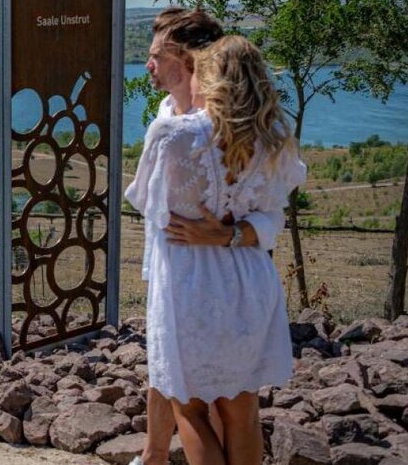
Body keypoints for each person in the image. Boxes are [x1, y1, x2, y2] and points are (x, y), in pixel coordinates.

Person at [126, 35, 306, 465]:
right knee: (242, 411)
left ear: (208, 79)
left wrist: (206, 231)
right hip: (248, 281)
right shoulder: (274, 138)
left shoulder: (172, 134)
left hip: (189, 282)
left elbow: (144, 201)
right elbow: (273, 218)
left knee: (187, 404)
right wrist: (229, 233)